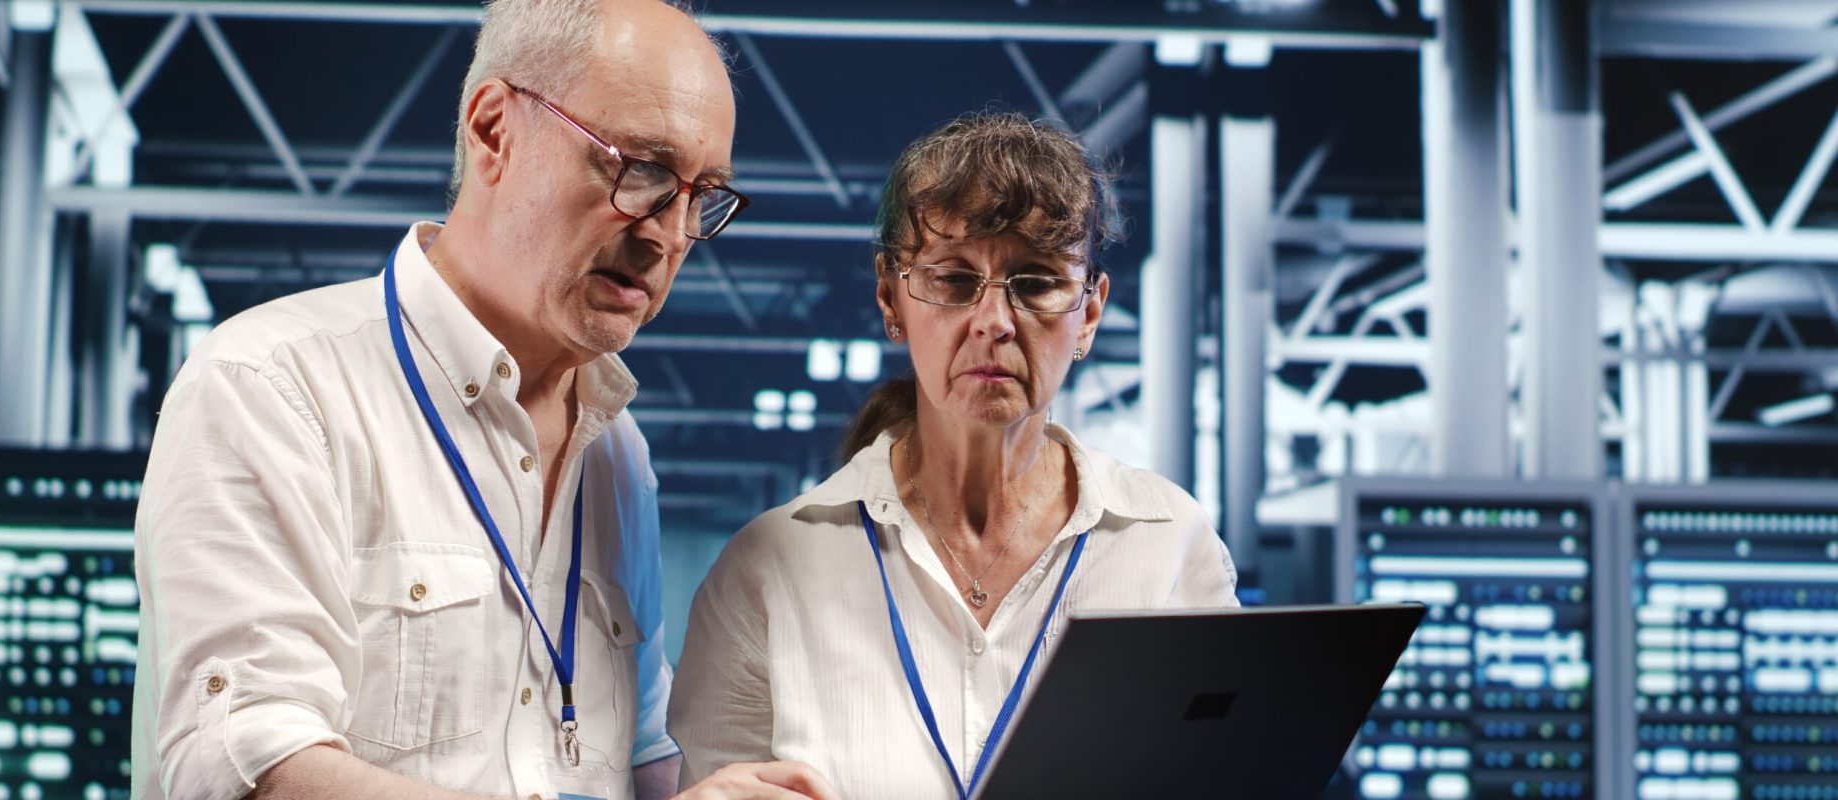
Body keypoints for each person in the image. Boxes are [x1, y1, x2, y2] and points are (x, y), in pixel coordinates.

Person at [130, 2, 835, 799]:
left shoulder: (617, 453)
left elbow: (634, 755)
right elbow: (251, 771)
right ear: (494, 129)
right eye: (641, 170)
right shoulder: (274, 389)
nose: (669, 233)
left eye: (700, 197)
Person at [667, 111, 1241, 799]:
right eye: (952, 279)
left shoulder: (1166, 545)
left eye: (1036, 283)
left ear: (1088, 313)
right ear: (891, 298)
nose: (994, 322)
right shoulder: (770, 572)